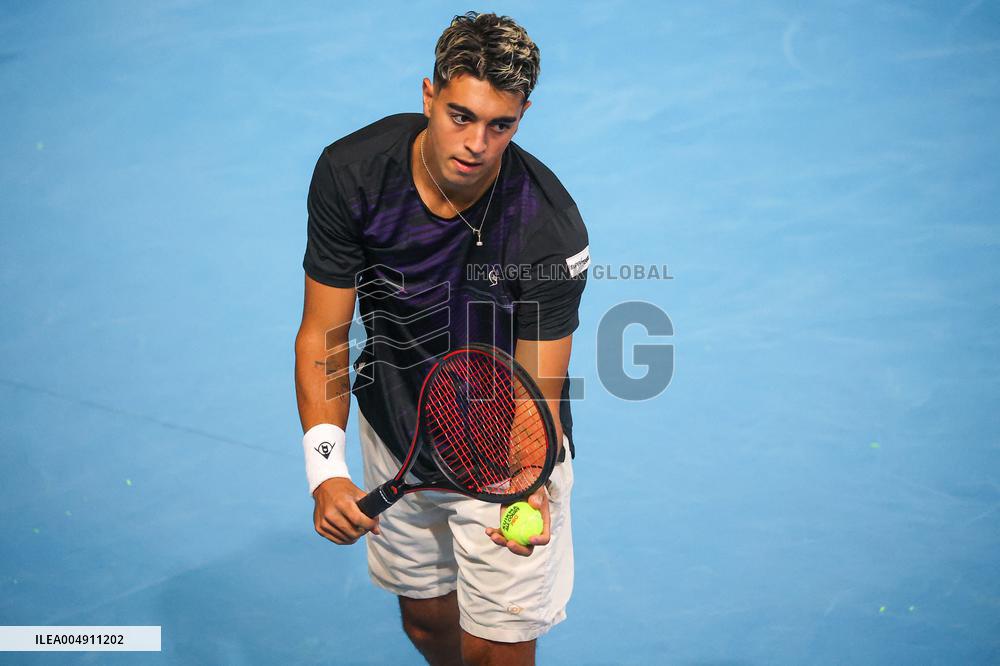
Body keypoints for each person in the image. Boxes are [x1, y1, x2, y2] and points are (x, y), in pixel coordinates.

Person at [294, 11, 589, 665]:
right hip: (394, 425)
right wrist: (326, 470)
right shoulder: (352, 172)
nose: (477, 143)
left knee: (494, 651)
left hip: (501, 452)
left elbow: (537, 385)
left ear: (522, 116)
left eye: (500, 125)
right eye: (461, 115)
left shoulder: (547, 227)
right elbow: (324, 333)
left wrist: (526, 482)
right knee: (428, 624)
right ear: (429, 96)